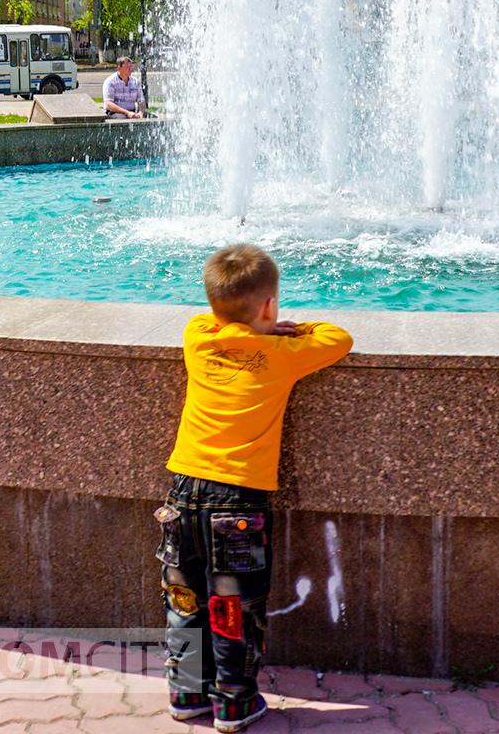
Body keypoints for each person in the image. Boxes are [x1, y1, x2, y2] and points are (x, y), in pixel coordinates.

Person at [156, 244, 352, 732]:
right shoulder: (283, 354)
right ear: (269, 306)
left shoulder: (198, 339)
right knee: (233, 611)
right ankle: (235, 704)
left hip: (182, 493)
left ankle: (185, 693)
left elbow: (208, 318)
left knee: (184, 601)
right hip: (238, 501)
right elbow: (338, 337)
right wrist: (284, 330)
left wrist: (248, 323)